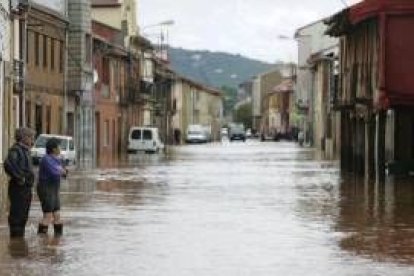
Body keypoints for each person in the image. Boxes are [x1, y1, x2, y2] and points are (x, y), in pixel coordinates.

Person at [3, 127, 36, 238]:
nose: (32, 140)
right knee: (17, 216)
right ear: (24, 138)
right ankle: (15, 245)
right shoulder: (16, 150)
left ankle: (19, 244)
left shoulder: (25, 150)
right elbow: (8, 164)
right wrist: (20, 178)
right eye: (31, 137)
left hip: (26, 189)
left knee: (23, 216)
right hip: (18, 189)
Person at [37, 138, 67, 236]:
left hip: (54, 189)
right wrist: (62, 172)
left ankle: (57, 240)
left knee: (57, 215)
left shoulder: (58, 159)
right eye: (59, 146)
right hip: (46, 189)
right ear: (54, 149)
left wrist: (63, 172)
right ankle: (42, 240)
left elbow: (64, 173)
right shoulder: (46, 159)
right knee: (48, 215)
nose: (61, 148)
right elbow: (55, 173)